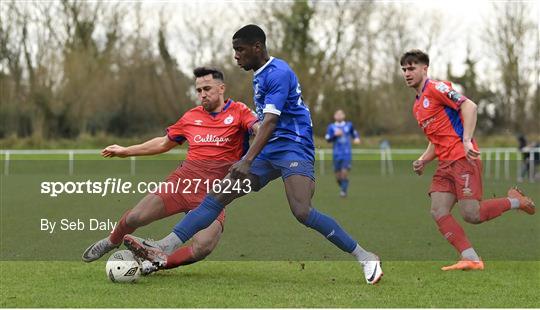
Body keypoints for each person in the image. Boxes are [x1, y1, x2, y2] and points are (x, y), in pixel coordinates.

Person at [124, 24, 383, 285]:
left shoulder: (278, 72)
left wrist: (246, 160)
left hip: (294, 147)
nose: (236, 55)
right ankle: (164, 247)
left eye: (240, 50)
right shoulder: (259, 74)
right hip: (269, 149)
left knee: (302, 211)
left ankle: (365, 256)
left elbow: (269, 122)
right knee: (217, 196)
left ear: (257, 48)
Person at [82, 67, 258, 274]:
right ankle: (111, 241)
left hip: (215, 194)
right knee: (134, 218)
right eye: (199, 90)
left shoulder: (239, 111)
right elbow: (164, 143)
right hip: (182, 184)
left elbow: (259, 129)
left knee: (204, 247)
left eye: (207, 88)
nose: (202, 94)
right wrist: (126, 151)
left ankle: (157, 263)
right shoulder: (191, 116)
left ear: (221, 88)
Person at [400, 49, 535, 271]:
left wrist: (467, 140)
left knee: (472, 214)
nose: (407, 73)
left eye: (412, 68)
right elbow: (436, 139)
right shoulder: (417, 106)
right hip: (445, 164)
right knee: (438, 210)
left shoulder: (436, 87)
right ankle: (471, 258)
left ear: (425, 68)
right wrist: (424, 159)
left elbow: (469, 105)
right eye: (404, 69)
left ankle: (516, 201)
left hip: (463, 157)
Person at [325, 109, 361, 197]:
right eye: (337, 114)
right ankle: (344, 185)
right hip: (336, 154)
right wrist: (335, 135)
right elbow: (328, 139)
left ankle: (343, 192)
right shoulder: (331, 127)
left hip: (346, 153)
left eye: (341, 114)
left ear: (344, 116)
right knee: (338, 177)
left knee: (344, 173)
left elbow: (354, 133)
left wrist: (356, 138)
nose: (339, 115)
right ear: (334, 116)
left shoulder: (349, 125)